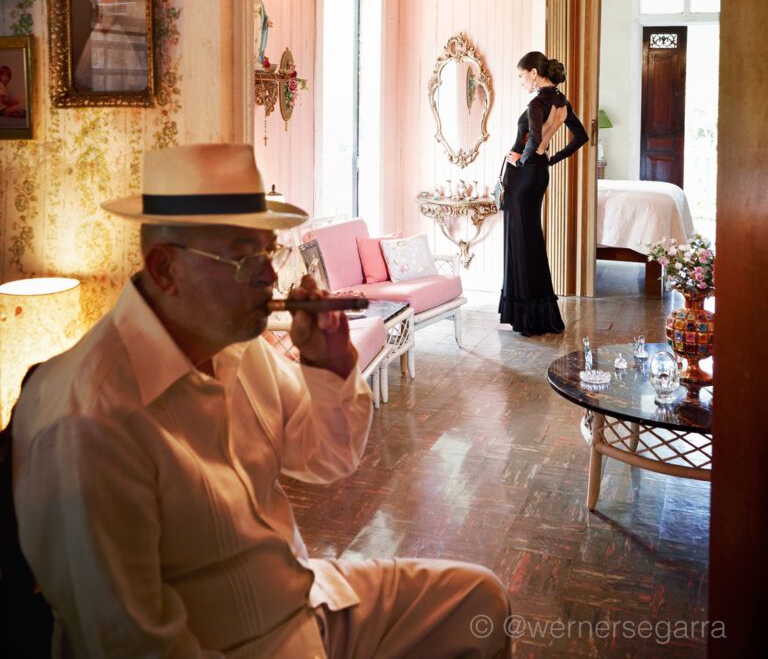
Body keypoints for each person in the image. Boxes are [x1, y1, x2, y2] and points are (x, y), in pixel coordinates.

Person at [12, 143, 511, 658]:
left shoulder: (239, 349)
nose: (271, 276)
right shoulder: (88, 421)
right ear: (164, 269)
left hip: (304, 602)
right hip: (231, 646)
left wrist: (329, 364)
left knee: (480, 604)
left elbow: (327, 457)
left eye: (269, 252)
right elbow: (134, 645)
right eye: (244, 257)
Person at [499, 52, 589, 336]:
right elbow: (581, 137)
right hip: (539, 174)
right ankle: (536, 314)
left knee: (521, 240)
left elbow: (535, 138)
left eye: (521, 75)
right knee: (530, 239)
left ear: (534, 72)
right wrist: (551, 159)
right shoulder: (562, 102)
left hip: (524, 176)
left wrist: (521, 161)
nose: (521, 81)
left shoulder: (537, 103)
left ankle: (526, 317)